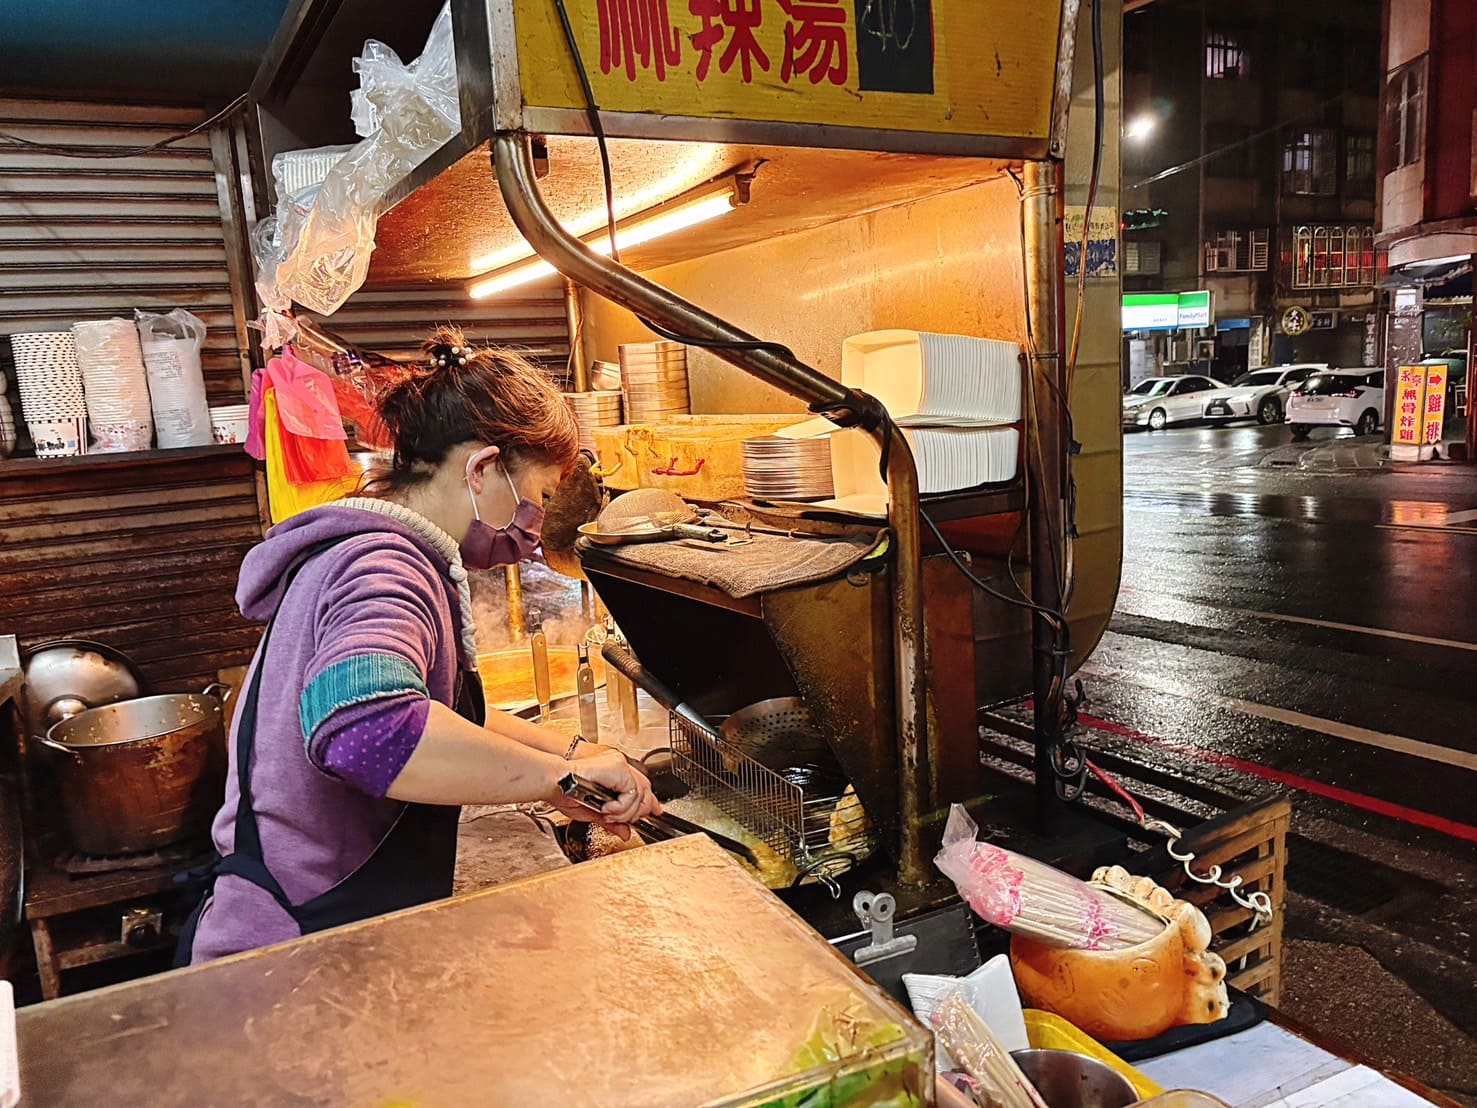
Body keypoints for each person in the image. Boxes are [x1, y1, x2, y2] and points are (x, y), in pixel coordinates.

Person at [179, 326, 658, 964]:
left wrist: (575, 751)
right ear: (484, 468)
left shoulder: (381, 551)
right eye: (539, 496)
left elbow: (446, 717)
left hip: (318, 923)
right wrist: (559, 778)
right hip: (294, 952)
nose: (536, 527)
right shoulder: (384, 565)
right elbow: (367, 730)